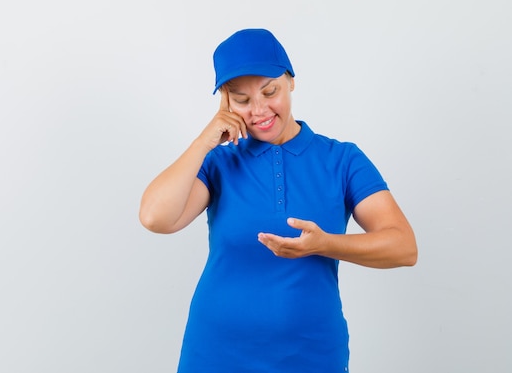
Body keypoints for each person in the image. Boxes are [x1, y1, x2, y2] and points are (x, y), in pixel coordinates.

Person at [139, 28, 417, 373]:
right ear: (224, 101)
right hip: (215, 355)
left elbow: (404, 247)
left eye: (270, 91)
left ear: (291, 82)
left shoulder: (342, 160)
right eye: (241, 99)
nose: (259, 110)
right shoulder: (219, 163)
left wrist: (324, 244)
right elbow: (155, 218)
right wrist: (203, 141)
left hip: (312, 356)